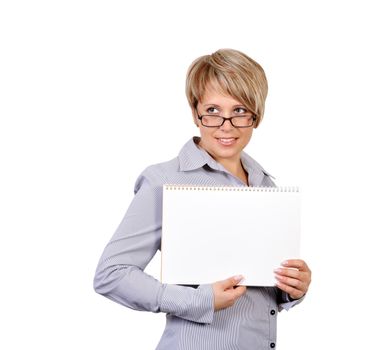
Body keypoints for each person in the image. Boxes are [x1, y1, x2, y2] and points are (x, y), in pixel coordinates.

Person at [94, 48, 312, 349]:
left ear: (256, 116)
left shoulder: (266, 184)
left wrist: (291, 289)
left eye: (239, 111)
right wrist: (199, 300)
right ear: (195, 113)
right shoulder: (164, 181)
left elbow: (259, 292)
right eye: (212, 111)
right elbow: (111, 275)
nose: (226, 124)